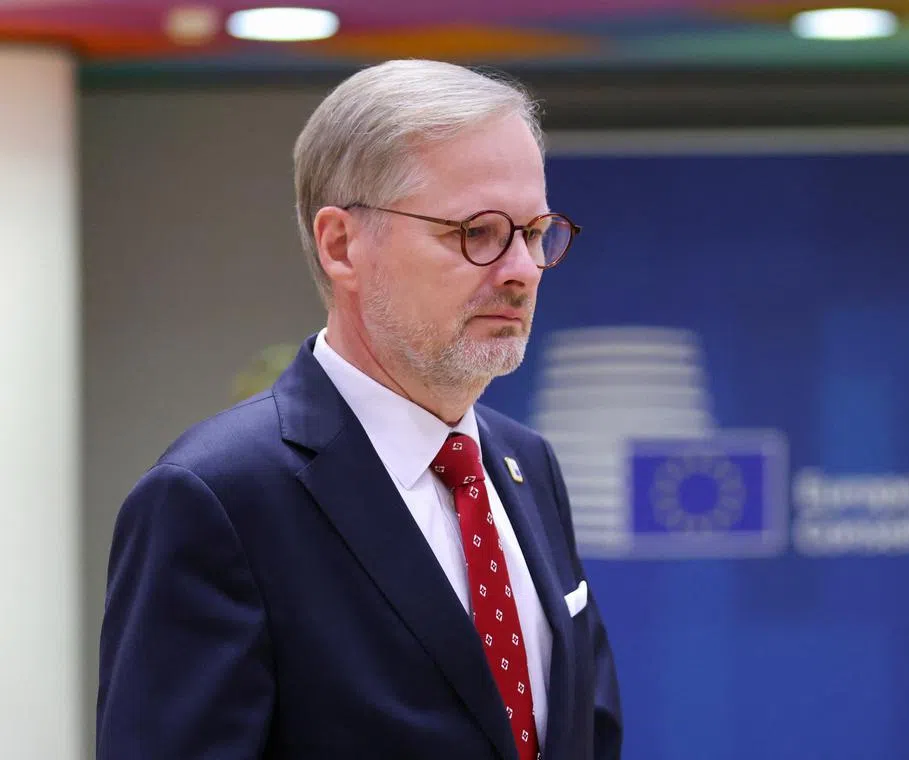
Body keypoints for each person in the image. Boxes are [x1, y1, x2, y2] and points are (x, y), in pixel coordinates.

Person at [96, 59, 622, 760]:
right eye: (479, 233)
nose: (521, 269)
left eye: (533, 232)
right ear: (342, 245)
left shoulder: (528, 464)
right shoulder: (217, 498)